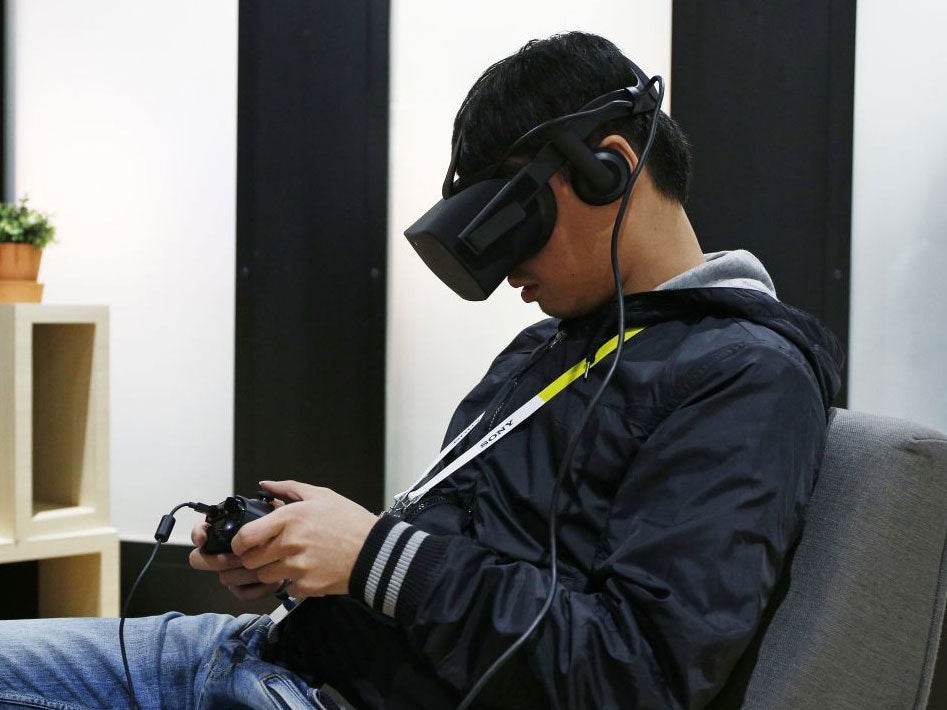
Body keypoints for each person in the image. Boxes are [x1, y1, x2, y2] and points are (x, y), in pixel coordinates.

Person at [0, 31, 842, 709]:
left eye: (514, 226)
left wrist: (373, 556)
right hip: (255, 654)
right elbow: (461, 561)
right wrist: (314, 561)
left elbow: (636, 675)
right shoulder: (550, 344)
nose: (506, 274)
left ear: (608, 167)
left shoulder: (743, 374)